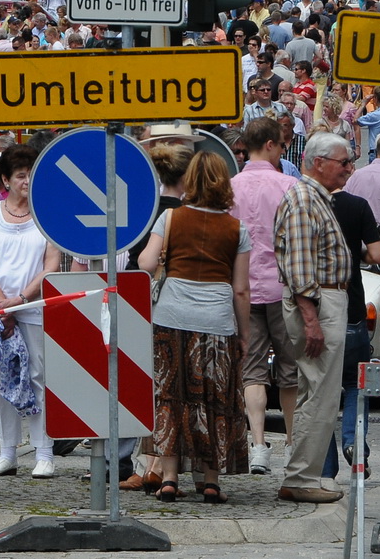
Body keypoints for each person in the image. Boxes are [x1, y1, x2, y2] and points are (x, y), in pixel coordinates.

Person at [137, 151, 251, 503]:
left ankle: (169, 477)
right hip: (216, 321)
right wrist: (244, 334)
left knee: (170, 397)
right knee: (216, 399)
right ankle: (212, 480)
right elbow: (241, 289)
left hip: (171, 317)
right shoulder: (236, 229)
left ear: (190, 182)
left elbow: (144, 262)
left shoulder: (170, 218)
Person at [273, 131, 355, 504]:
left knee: (314, 392)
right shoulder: (306, 199)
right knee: (320, 394)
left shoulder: (310, 197)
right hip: (320, 302)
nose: (349, 169)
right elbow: (301, 267)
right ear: (319, 163)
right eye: (344, 162)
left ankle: (302, 473)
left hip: (320, 301)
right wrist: (311, 318)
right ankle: (302, 476)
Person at [0, 144, 59, 477]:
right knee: (1, 378)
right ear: (6, 179)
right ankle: (7, 452)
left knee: (37, 374)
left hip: (31, 305)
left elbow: (50, 266)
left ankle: (44, 452)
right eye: (22, 176)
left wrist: (19, 300)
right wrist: (0, 304)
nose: (28, 182)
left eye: (32, 175)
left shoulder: (47, 214)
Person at [228, 115, 300, 475]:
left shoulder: (230, 187)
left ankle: (258, 445)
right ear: (271, 144)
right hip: (284, 288)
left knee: (252, 370)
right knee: (289, 370)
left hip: (242, 289)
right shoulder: (289, 186)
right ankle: (291, 443)